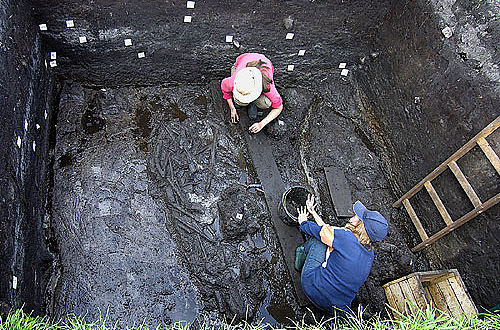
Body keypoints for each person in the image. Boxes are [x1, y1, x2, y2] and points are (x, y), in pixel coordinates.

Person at [296, 194, 388, 313]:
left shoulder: (345, 238)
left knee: (317, 241)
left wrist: (303, 222)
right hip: (333, 308)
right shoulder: (369, 255)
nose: (353, 217)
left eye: (357, 217)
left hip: (313, 288)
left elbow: (316, 231)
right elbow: (328, 231)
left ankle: (300, 260)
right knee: (327, 242)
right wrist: (313, 212)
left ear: (361, 226)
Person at [220, 53, 283, 134]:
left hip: (262, 69)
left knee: (266, 103)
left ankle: (252, 104)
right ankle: (244, 103)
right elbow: (225, 89)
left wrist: (261, 124)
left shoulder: (267, 85)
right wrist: (232, 108)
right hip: (238, 66)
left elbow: (279, 107)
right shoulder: (234, 80)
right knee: (239, 102)